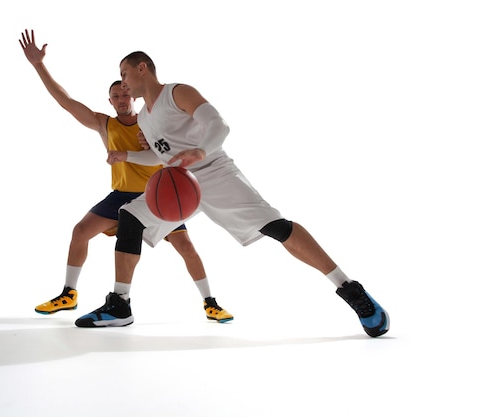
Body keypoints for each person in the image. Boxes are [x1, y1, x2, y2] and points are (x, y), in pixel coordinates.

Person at [75, 51, 389, 337]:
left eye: (125, 74)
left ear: (142, 68)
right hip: (180, 182)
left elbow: (219, 125)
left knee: (276, 227)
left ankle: (350, 289)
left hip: (214, 172)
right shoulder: (144, 116)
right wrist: (127, 156)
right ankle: (119, 305)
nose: (124, 83)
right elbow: (161, 157)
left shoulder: (177, 92)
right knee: (130, 215)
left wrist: (200, 150)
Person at [19, 30, 233, 325]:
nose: (121, 98)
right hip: (120, 195)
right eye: (115, 95)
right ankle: (69, 294)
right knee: (80, 231)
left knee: (186, 247)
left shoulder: (151, 120)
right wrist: (38, 65)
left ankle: (211, 302)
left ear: (131, 92)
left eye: (124, 91)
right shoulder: (104, 125)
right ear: (110, 100)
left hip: (156, 195)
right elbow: (66, 101)